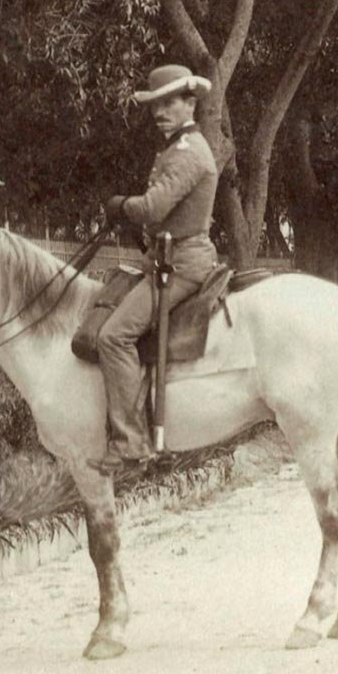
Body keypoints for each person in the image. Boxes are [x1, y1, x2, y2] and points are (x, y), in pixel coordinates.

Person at [89, 65, 220, 475]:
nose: (160, 111)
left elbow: (152, 207)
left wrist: (118, 205)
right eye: (155, 104)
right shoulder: (173, 148)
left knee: (113, 336)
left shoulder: (189, 152)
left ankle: (131, 444)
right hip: (163, 257)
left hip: (181, 264)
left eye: (170, 103)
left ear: (190, 103)